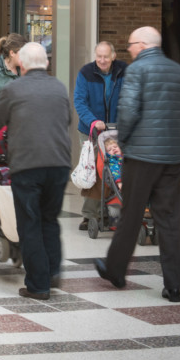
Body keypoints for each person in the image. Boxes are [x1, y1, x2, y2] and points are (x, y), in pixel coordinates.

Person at [95, 27, 180, 303]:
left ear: (141, 45)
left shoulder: (137, 71)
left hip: (141, 157)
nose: (129, 49)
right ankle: (174, 286)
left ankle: (115, 270)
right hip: (172, 159)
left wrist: (124, 142)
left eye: (130, 45)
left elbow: (127, 112)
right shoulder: (179, 72)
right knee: (170, 221)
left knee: (131, 215)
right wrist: (169, 136)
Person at [0, 42, 71, 300]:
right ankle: (52, 272)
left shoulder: (13, 89)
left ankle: (38, 285)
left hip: (28, 165)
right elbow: (66, 120)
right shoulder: (59, 87)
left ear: (21, 64)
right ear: (47, 63)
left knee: (30, 224)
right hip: (59, 164)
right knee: (49, 219)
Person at [73, 41, 127, 230]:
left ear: (113, 56)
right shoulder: (86, 73)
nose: (102, 60)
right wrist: (93, 121)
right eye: (98, 56)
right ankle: (90, 215)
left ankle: (111, 210)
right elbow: (79, 101)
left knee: (115, 168)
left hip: (116, 130)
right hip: (91, 131)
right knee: (94, 171)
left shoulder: (123, 71)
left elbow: (129, 98)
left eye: (105, 56)